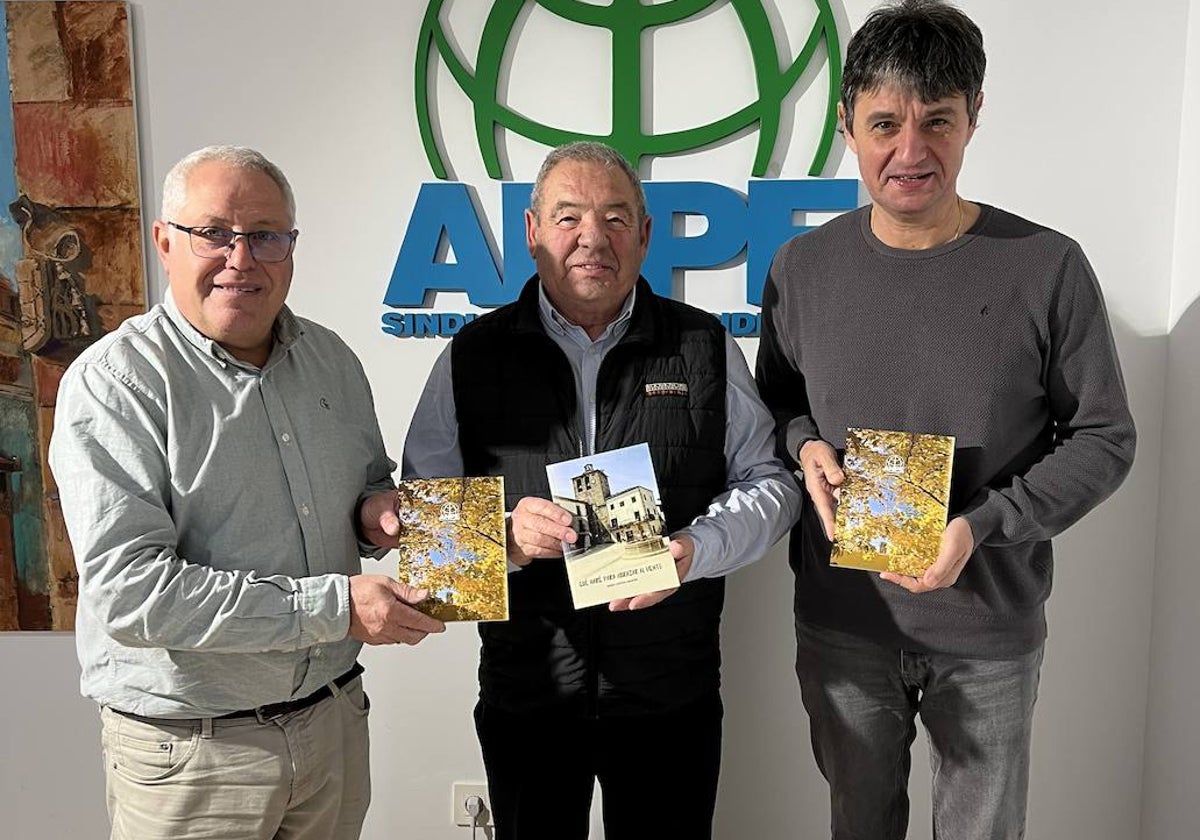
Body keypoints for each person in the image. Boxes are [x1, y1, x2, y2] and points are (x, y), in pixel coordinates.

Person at [755, 2, 1137, 838]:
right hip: (844, 620)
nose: (910, 151)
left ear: (975, 118)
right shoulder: (801, 268)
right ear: (848, 123)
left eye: (938, 121)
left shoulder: (1047, 266)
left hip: (989, 626)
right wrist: (803, 444)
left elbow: (1106, 437)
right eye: (885, 123)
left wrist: (985, 523)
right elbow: (778, 404)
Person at [403, 140, 801, 839]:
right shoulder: (472, 356)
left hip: (667, 696)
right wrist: (503, 539)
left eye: (616, 218)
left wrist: (692, 549)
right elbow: (419, 517)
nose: (593, 237)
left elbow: (771, 485)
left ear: (645, 235)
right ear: (532, 232)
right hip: (529, 694)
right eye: (569, 217)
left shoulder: (704, 346)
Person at [49, 145, 445, 840]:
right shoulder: (115, 385)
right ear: (165, 242)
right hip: (194, 755)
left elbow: (364, 487)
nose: (242, 257)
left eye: (266, 235)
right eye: (214, 233)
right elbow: (132, 595)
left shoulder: (330, 359)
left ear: (290, 247)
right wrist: (337, 607)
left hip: (332, 728)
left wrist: (378, 514)